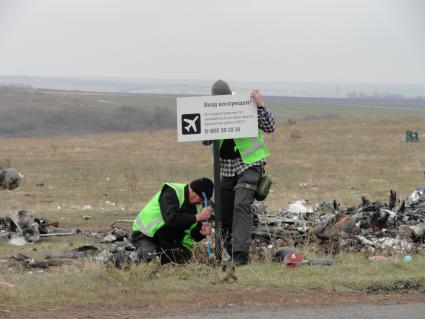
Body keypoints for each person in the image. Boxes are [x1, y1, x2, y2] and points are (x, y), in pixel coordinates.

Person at [204, 79, 275, 265]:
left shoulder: (245, 104)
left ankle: (240, 257)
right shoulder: (211, 109)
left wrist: (260, 105)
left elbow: (270, 127)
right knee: (223, 212)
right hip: (226, 167)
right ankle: (230, 252)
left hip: (249, 163)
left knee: (241, 204)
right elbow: (204, 141)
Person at [130, 177, 214, 265]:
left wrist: (201, 232)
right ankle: (126, 259)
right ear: (195, 192)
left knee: (187, 259)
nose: (201, 203)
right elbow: (171, 219)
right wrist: (197, 217)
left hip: (166, 241)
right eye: (201, 199)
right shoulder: (171, 192)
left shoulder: (196, 206)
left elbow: (191, 233)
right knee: (151, 262)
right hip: (145, 235)